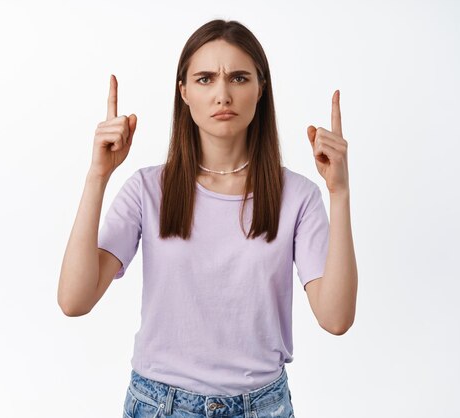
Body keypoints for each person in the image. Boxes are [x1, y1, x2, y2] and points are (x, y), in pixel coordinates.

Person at [57, 19, 357, 418]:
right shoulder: (148, 189)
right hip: (159, 406)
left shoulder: (298, 196)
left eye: (237, 77)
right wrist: (98, 175)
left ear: (260, 88)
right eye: (204, 79)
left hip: (261, 407)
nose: (222, 94)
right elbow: (74, 300)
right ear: (183, 92)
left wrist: (340, 193)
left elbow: (336, 319)